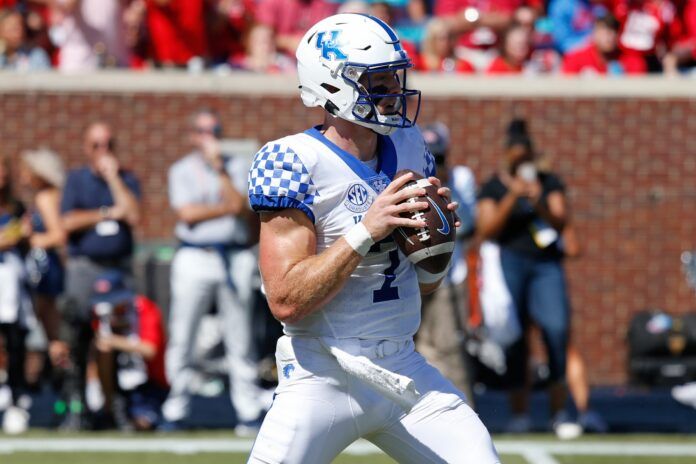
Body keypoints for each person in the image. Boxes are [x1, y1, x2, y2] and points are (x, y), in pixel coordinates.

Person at [247, 13, 499, 463]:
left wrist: (436, 241)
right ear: (330, 86)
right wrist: (367, 229)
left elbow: (426, 286)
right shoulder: (291, 160)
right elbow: (285, 299)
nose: (393, 95)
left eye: (394, 80)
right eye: (377, 84)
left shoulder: (408, 144)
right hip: (322, 373)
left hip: (402, 368)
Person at [163, 109, 264, 432]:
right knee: (183, 334)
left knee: (240, 337)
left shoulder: (235, 165)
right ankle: (176, 408)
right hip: (195, 256)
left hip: (233, 256)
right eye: (204, 132)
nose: (211, 138)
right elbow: (187, 214)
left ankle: (247, 410)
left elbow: (239, 205)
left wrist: (220, 171)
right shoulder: (181, 170)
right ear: (193, 136)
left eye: (215, 130)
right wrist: (221, 209)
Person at [476, 118, 577, 435]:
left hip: (545, 265)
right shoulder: (494, 186)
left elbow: (562, 222)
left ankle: (559, 412)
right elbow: (487, 230)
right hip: (511, 260)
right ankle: (520, 413)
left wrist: (537, 200)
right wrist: (512, 196)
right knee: (515, 337)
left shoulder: (548, 182)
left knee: (556, 330)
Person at [59, 121, 141, 429]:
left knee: (117, 340)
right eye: (96, 145)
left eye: (108, 145)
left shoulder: (126, 179)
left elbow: (132, 214)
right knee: (78, 337)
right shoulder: (77, 180)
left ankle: (117, 408)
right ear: (86, 148)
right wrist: (106, 213)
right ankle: (76, 408)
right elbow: (67, 221)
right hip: (85, 267)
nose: (102, 152)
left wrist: (114, 180)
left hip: (117, 269)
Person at [415, 122, 478, 404]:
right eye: (430, 157)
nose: (434, 164)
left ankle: (463, 411)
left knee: (450, 349)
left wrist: (444, 188)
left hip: (448, 275)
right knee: (409, 347)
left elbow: (468, 226)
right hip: (410, 276)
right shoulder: (407, 175)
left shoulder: (459, 178)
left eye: (439, 158)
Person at [90, 270, 168, 431]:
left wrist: (116, 341)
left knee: (142, 423)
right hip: (119, 380)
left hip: (150, 381)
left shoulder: (144, 308)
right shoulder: (101, 314)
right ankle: (109, 406)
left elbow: (149, 350)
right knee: (103, 350)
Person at [0, 153, 33, 434]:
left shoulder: (17, 206)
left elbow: (23, 236)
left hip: (11, 283)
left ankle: (15, 401)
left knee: (14, 343)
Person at [562, 13, 647, 75]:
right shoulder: (575, 59)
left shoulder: (631, 61)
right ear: (593, 33)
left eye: (613, 31)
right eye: (603, 31)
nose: (609, 37)